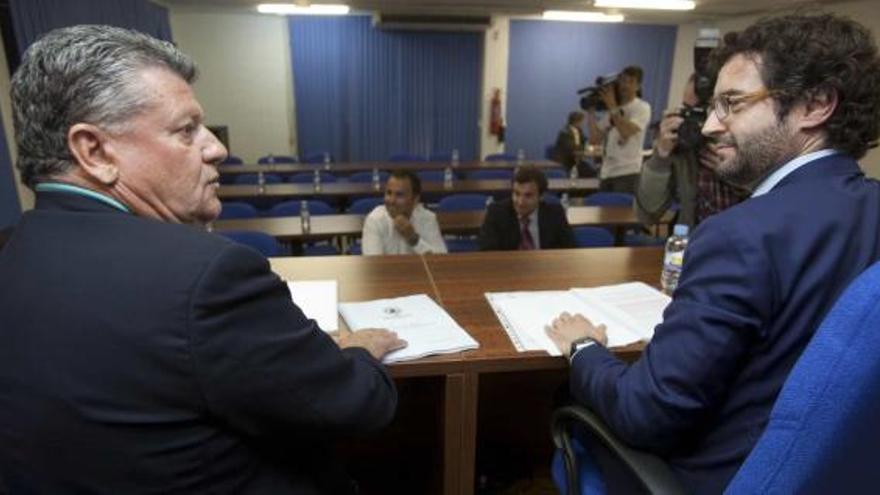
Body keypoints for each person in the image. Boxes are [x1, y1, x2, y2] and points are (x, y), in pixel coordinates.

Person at [0, 25, 406, 494]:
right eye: (187, 130)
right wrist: (358, 351)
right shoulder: (208, 278)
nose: (218, 148)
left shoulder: (15, 253)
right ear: (94, 151)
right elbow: (357, 405)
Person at [546, 13, 880, 494]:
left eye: (732, 103)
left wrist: (583, 348)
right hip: (830, 472)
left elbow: (645, 414)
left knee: (568, 395)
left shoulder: (741, 235)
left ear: (815, 104)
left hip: (716, 476)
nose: (709, 127)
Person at [636, 75, 748, 227]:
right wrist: (660, 157)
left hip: (742, 247)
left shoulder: (752, 144)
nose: (695, 120)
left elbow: (775, 218)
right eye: (688, 110)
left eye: (701, 110)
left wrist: (737, 175)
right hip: (694, 245)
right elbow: (647, 216)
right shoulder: (682, 148)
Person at [587, 65, 652, 193]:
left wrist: (612, 106)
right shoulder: (612, 110)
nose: (625, 85)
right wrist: (591, 113)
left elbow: (626, 131)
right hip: (606, 172)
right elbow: (594, 139)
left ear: (638, 86)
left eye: (631, 82)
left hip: (628, 173)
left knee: (622, 212)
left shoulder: (642, 107)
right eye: (623, 80)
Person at [478, 165, 574, 251]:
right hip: (507, 269)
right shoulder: (496, 213)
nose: (520, 202)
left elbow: (571, 251)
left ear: (541, 197)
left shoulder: (555, 214)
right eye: (516, 194)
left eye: (528, 196)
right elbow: (486, 252)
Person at [362, 169, 447, 256]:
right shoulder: (375, 220)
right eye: (389, 193)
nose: (392, 200)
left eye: (399, 195)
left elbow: (441, 261)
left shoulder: (428, 218)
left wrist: (413, 239)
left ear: (415, 200)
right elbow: (374, 265)